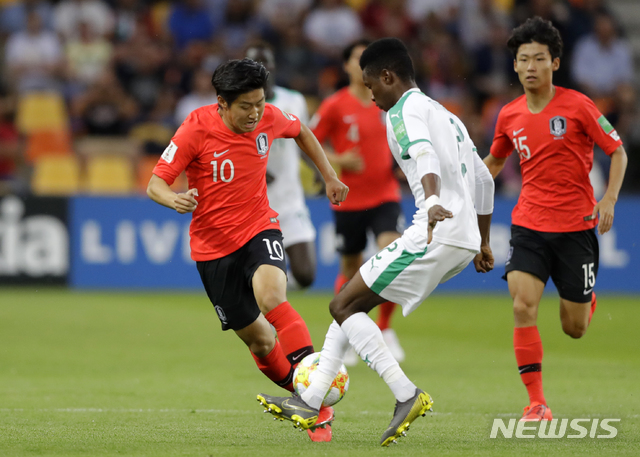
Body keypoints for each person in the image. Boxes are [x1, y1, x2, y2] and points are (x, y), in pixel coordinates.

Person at [257, 37, 495, 446]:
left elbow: (423, 156)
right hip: (463, 237)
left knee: (343, 303)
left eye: (371, 85)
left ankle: (406, 394)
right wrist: (485, 242)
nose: (370, 95)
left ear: (388, 76)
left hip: (434, 230)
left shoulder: (402, 112)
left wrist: (434, 201)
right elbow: (485, 180)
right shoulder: (447, 115)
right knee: (349, 302)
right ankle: (311, 400)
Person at [147, 58, 348, 439]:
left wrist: (330, 175)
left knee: (272, 295)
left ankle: (311, 399)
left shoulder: (269, 116)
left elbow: (302, 130)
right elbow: (155, 183)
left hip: (259, 227)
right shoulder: (194, 128)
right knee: (260, 340)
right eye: (245, 106)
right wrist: (174, 200)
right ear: (221, 102)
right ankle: (310, 402)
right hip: (212, 250)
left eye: (259, 103)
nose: (255, 113)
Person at [483, 17, 628, 422]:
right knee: (522, 306)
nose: (530, 66)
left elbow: (617, 151)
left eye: (539, 59)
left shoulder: (578, 105)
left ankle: (586, 300)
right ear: (514, 65)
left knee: (574, 327)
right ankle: (536, 402)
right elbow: (494, 160)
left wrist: (610, 198)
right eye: (523, 59)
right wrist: (466, 188)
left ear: (555, 63)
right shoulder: (508, 115)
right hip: (528, 224)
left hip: (576, 228)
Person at [310, 39, 406, 365]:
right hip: (349, 200)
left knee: (393, 254)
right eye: (356, 58)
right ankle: (349, 331)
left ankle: (386, 328)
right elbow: (309, 142)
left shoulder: (389, 102)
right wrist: (338, 159)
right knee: (350, 268)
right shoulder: (335, 105)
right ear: (347, 66)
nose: (362, 64)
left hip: (385, 195)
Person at [245, 42, 317, 289]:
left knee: (306, 276)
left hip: (289, 200)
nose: (257, 69)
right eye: (252, 64)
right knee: (260, 276)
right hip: (255, 204)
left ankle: (275, 290)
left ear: (272, 67)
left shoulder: (293, 100)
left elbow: (304, 138)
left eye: (262, 63)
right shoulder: (240, 106)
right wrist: (255, 170)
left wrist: (319, 170)